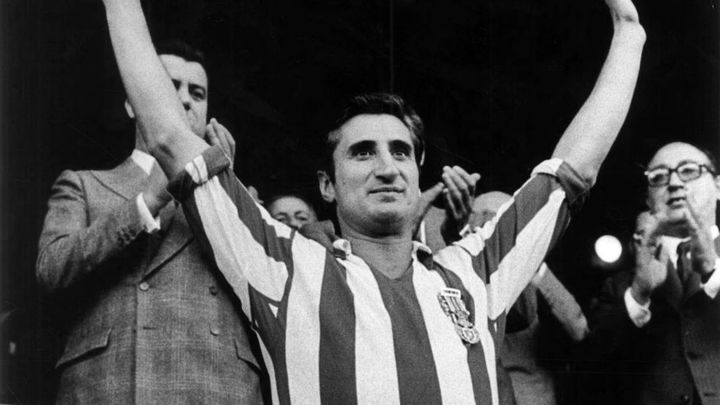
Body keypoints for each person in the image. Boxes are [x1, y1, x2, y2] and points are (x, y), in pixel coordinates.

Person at [101, 0, 645, 402]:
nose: (387, 166)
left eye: (401, 152)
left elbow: (573, 169)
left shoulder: (475, 272)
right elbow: (169, 135)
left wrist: (628, 31)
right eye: (363, 152)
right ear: (327, 186)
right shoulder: (283, 266)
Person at [36, 41, 266, 403]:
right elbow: (51, 268)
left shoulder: (240, 196)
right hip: (113, 382)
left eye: (197, 93)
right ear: (132, 104)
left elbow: (272, 294)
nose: (185, 100)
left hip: (217, 386)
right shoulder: (84, 185)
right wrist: (149, 201)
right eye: (169, 86)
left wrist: (226, 193)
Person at [582, 142, 720, 405]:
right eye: (659, 177)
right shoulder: (621, 286)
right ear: (648, 199)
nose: (675, 183)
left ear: (718, 186)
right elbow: (590, 371)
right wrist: (638, 295)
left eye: (689, 170)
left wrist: (713, 272)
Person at [471, 191, 588, 405]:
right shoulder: (460, 276)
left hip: (529, 396)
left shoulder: (531, 271)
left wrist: (534, 264)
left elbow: (578, 327)